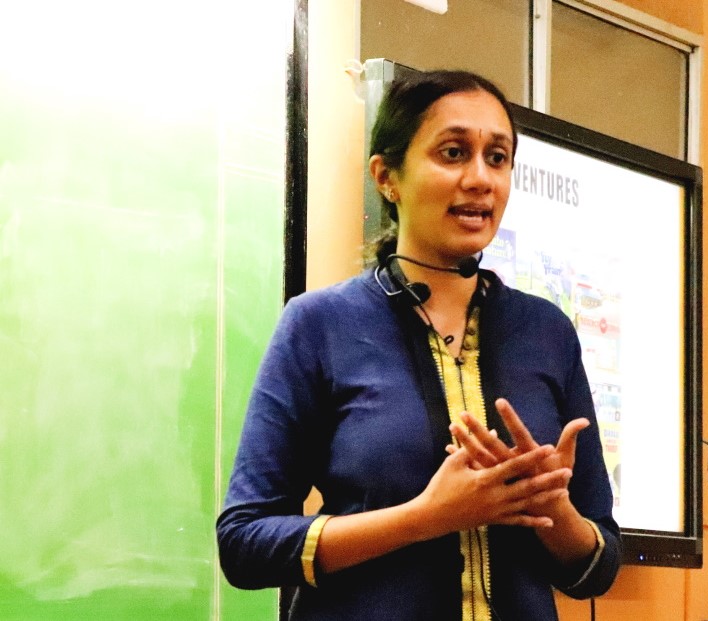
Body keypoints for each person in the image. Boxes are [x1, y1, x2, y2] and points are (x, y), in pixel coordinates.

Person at [217, 69, 621, 621]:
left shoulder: (547, 331)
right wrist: (424, 518)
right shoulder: (319, 324)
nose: (481, 178)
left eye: (497, 158)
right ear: (387, 178)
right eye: (454, 153)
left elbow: (598, 567)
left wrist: (553, 509)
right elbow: (245, 543)